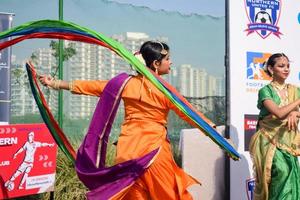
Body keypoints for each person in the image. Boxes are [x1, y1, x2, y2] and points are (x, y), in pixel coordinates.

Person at [39, 41, 215, 199]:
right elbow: (188, 112)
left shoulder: (125, 83)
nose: (171, 62)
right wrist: (212, 129)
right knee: (168, 193)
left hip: (127, 153)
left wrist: (56, 83)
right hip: (153, 152)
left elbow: (95, 86)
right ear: (155, 64)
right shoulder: (165, 90)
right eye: (168, 58)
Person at [249, 53, 300, 200]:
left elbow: (292, 113)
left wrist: (296, 115)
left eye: (288, 66)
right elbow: (278, 113)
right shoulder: (265, 91)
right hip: (268, 140)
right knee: (280, 173)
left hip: (288, 140)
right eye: (281, 66)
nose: (286, 69)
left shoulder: (295, 90)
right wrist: (297, 103)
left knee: (291, 175)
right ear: (271, 69)